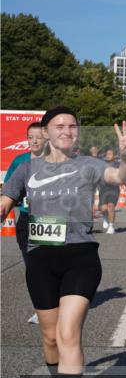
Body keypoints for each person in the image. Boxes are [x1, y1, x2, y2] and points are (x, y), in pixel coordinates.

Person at [0, 107, 126, 378]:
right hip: (40, 259)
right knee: (50, 337)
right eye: (59, 126)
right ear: (46, 132)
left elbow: (119, 177)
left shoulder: (89, 164)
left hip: (80, 257)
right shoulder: (27, 168)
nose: (66, 130)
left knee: (68, 333)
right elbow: (5, 203)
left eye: (72, 126)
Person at [6, 121, 47, 324]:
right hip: (25, 218)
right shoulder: (20, 161)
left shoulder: (56, 161)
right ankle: (41, 308)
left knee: (46, 264)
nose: (34, 140)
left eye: (38, 136)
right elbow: (9, 190)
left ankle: (50, 305)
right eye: (30, 137)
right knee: (32, 265)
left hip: (49, 220)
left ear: (47, 138)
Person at [98, 148, 120, 234]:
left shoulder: (118, 164)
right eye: (107, 154)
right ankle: (105, 217)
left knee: (111, 206)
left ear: (114, 156)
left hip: (114, 188)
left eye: (110, 154)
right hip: (103, 188)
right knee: (103, 209)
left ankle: (111, 226)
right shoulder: (102, 164)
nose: (108, 155)